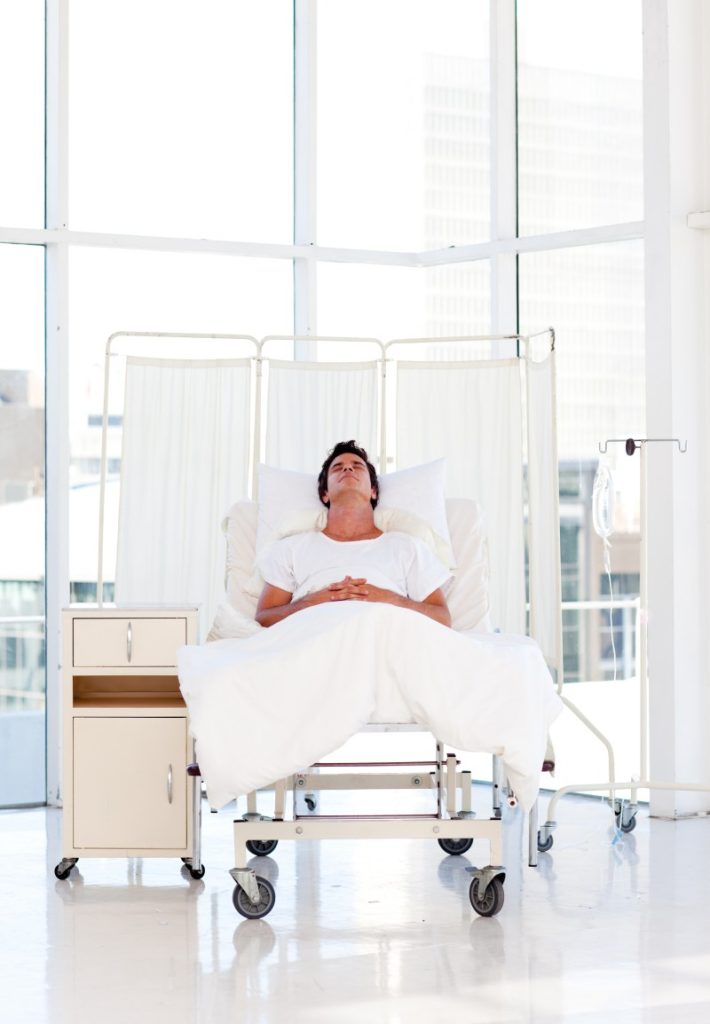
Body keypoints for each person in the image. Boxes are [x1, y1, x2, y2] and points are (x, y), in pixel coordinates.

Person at [255, 440, 452, 628]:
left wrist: (390, 599)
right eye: (337, 467)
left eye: (357, 466)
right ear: (325, 494)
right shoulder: (292, 548)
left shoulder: (408, 547)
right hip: (314, 638)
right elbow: (264, 617)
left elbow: (442, 618)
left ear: (373, 491)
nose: (348, 468)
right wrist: (311, 603)